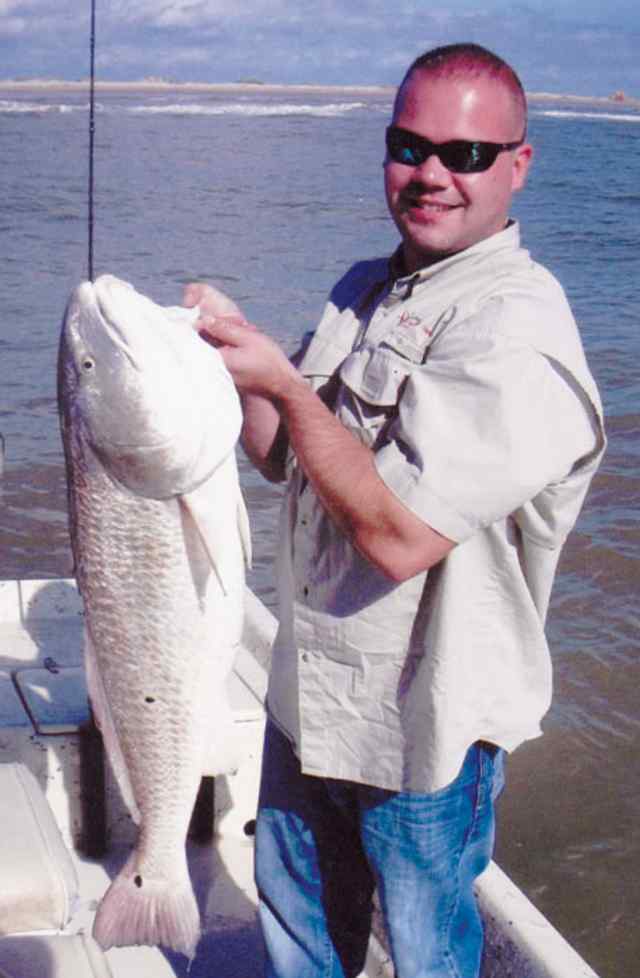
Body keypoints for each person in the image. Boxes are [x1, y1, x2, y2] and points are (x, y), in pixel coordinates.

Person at [186, 43, 605, 978]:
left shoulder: (518, 329)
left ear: (517, 166)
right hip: (308, 705)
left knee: (425, 955)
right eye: (409, 146)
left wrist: (287, 390)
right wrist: (229, 357)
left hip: (424, 738)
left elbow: (401, 536)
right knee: (297, 932)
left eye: (465, 155)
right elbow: (284, 461)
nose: (431, 176)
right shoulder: (363, 288)